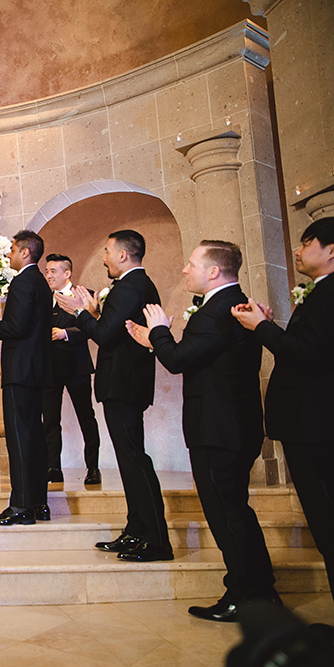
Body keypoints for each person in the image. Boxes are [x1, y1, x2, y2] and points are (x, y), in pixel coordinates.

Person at [126, 241, 277, 621]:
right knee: (235, 512)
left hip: (218, 429)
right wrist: (154, 340)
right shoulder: (235, 304)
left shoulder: (215, 313)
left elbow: (177, 361)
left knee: (228, 515)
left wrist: (159, 331)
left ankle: (245, 596)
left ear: (213, 272)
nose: (184, 270)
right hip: (232, 426)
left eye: (192, 264)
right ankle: (259, 591)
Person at [232, 217, 334, 604]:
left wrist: (261, 327)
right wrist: (271, 324)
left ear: (331, 251)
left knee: (326, 520)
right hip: (309, 424)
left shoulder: (328, 293)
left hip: (315, 424)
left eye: (307, 242)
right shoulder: (320, 292)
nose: (297, 249)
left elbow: (305, 355)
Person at [55, 229, 172, 562]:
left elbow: (105, 336)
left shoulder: (129, 287)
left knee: (134, 460)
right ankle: (136, 531)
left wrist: (82, 312)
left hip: (123, 381)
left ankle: (155, 539)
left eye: (107, 251)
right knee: (130, 459)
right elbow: (112, 329)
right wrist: (93, 312)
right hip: (126, 381)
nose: (104, 257)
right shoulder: (135, 286)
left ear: (123, 254)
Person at [0, 230, 52, 526]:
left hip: (20, 370)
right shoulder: (41, 282)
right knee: (34, 438)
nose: (9, 255)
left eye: (12, 250)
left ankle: (20, 507)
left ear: (25, 253)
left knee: (18, 439)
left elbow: (16, 327)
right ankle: (38, 503)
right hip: (38, 369)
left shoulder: (21, 281)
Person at [42, 253, 102, 486]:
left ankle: (93, 468)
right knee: (50, 419)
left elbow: (94, 328)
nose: (49, 275)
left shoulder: (82, 295)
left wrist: (65, 333)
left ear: (67, 273)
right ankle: (53, 467)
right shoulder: (44, 299)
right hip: (50, 368)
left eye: (53, 271)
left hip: (77, 367)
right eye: (47, 271)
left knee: (86, 417)